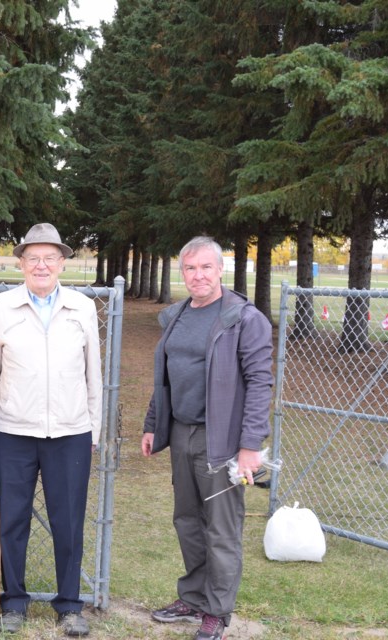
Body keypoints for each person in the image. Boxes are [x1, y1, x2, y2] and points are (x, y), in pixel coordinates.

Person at [141, 236, 273, 640]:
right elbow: (165, 377)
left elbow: (260, 383)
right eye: (190, 268)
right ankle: (194, 597)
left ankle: (217, 610)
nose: (197, 275)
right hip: (182, 433)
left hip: (225, 441)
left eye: (205, 267)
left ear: (220, 269)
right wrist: (152, 424)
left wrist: (250, 446)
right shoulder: (177, 315)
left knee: (221, 527)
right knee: (187, 521)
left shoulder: (244, 319)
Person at [0, 222, 102, 637]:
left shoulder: (83, 308)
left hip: (71, 432)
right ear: (20, 263)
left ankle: (69, 605)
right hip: (13, 431)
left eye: (50, 257)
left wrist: (94, 432)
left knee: (68, 522)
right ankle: (13, 601)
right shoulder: (2, 308)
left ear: (63, 263)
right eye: (33, 257)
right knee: (12, 520)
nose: (41, 265)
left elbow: (94, 376)